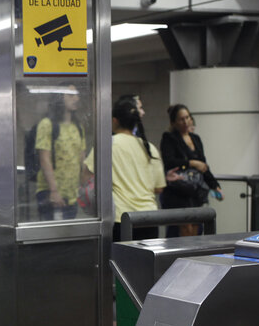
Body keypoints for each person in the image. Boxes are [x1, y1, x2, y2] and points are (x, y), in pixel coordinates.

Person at [86, 97, 169, 241]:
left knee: (121, 262)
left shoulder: (107, 144)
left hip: (120, 217)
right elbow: (159, 188)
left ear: (115, 121)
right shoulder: (149, 148)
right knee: (146, 262)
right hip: (149, 218)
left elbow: (86, 176)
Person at [159, 104, 222, 237]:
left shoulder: (196, 139)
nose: (186, 121)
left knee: (196, 228)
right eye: (181, 119)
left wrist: (214, 185)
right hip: (178, 191)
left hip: (194, 192)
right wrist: (191, 163)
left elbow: (204, 165)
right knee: (181, 231)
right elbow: (169, 161)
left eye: (187, 117)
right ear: (174, 122)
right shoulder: (169, 138)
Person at [35, 87, 87, 220]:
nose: (76, 99)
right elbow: (44, 159)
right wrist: (54, 191)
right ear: (59, 98)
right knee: (52, 235)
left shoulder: (78, 126)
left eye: (76, 95)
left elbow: (82, 158)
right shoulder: (47, 124)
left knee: (68, 235)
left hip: (72, 194)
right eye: (70, 95)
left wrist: (83, 186)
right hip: (51, 192)